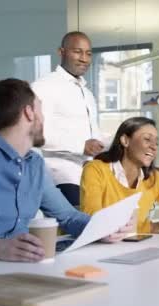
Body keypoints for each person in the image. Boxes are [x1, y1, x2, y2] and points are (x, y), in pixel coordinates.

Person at [0, 79, 125, 262]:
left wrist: (105, 227)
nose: (44, 119)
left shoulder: (35, 164)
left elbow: (69, 217)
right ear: (29, 112)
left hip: (22, 271)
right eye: (41, 111)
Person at [32, 31, 106, 206]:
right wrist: (81, 146)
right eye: (77, 52)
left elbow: (92, 132)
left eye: (88, 53)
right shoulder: (43, 87)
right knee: (76, 226)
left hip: (91, 174)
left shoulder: (86, 93)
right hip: (61, 176)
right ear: (61, 52)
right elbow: (36, 134)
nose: (84, 58)